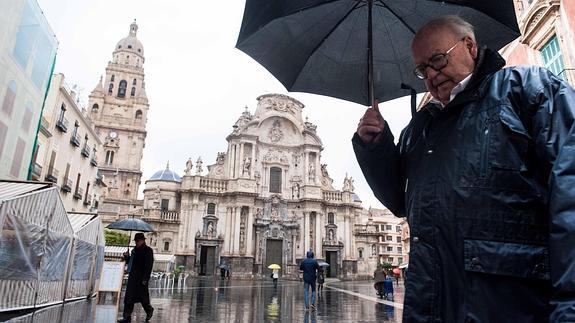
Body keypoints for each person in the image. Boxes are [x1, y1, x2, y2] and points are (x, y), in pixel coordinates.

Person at [353, 15, 575, 322]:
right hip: (431, 304)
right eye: (422, 69)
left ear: (469, 46)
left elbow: (570, 195)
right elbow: (398, 201)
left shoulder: (527, 90)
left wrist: (569, 306)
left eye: (438, 60)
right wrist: (375, 147)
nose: (431, 74)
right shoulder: (420, 127)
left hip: (512, 304)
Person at [118, 233, 154, 322]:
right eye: (136, 241)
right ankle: (126, 317)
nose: (136, 243)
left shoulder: (148, 250)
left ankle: (149, 310)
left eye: (138, 241)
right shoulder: (134, 250)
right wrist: (127, 257)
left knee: (143, 298)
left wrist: (145, 278)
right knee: (129, 298)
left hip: (141, 278)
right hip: (133, 276)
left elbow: (149, 265)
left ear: (143, 240)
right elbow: (131, 262)